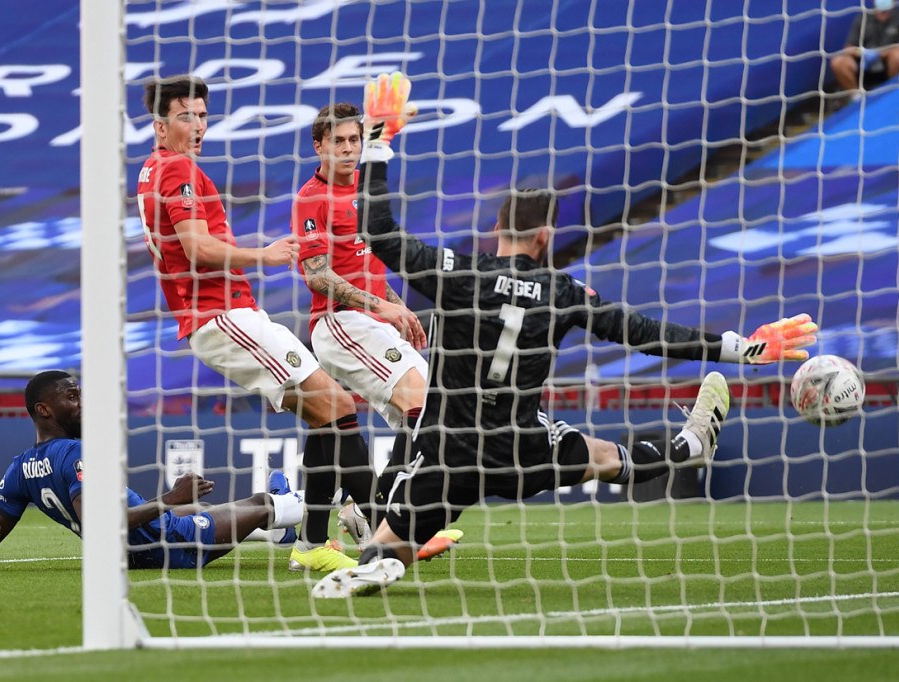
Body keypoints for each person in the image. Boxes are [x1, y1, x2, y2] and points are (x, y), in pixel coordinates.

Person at [313, 73, 819, 597]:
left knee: (384, 545)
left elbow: (378, 231)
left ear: (497, 228)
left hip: (451, 450)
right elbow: (645, 334)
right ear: (546, 236)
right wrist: (742, 348)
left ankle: (382, 561)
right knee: (606, 459)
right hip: (522, 446)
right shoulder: (564, 293)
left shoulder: (459, 274)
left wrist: (378, 144)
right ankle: (688, 444)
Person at [136, 75, 382, 572]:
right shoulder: (176, 167)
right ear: (161, 126)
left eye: (203, 115)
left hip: (222, 316)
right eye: (187, 116)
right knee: (335, 402)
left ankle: (317, 542)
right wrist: (263, 256)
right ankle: (388, 533)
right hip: (219, 314)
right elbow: (197, 248)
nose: (199, 126)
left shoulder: (153, 169)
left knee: (326, 413)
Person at [0, 371, 303, 569]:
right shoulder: (76, 454)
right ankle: (316, 505)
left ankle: (282, 524)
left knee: (244, 502)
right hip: (169, 544)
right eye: (72, 397)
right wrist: (169, 499)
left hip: (138, 540)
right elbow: (101, 524)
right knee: (268, 505)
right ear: (44, 410)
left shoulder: (20, 468)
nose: (82, 403)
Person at [291, 102, 461, 559]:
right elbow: (318, 276)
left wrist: (400, 310)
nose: (348, 150)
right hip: (337, 323)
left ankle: (340, 525)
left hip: (370, 319)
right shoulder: (312, 197)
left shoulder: (366, 191)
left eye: (354, 141)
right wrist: (382, 307)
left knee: (353, 420)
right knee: (420, 401)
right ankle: (390, 520)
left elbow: (369, 268)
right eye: (339, 142)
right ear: (320, 145)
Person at [829, 0, 899, 101]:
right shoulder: (862, 19)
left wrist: (880, 54)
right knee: (838, 62)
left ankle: (895, 90)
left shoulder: (898, 17)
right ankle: (857, 99)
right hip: (864, 66)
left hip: (889, 65)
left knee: (897, 55)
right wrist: (863, 53)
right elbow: (849, 48)